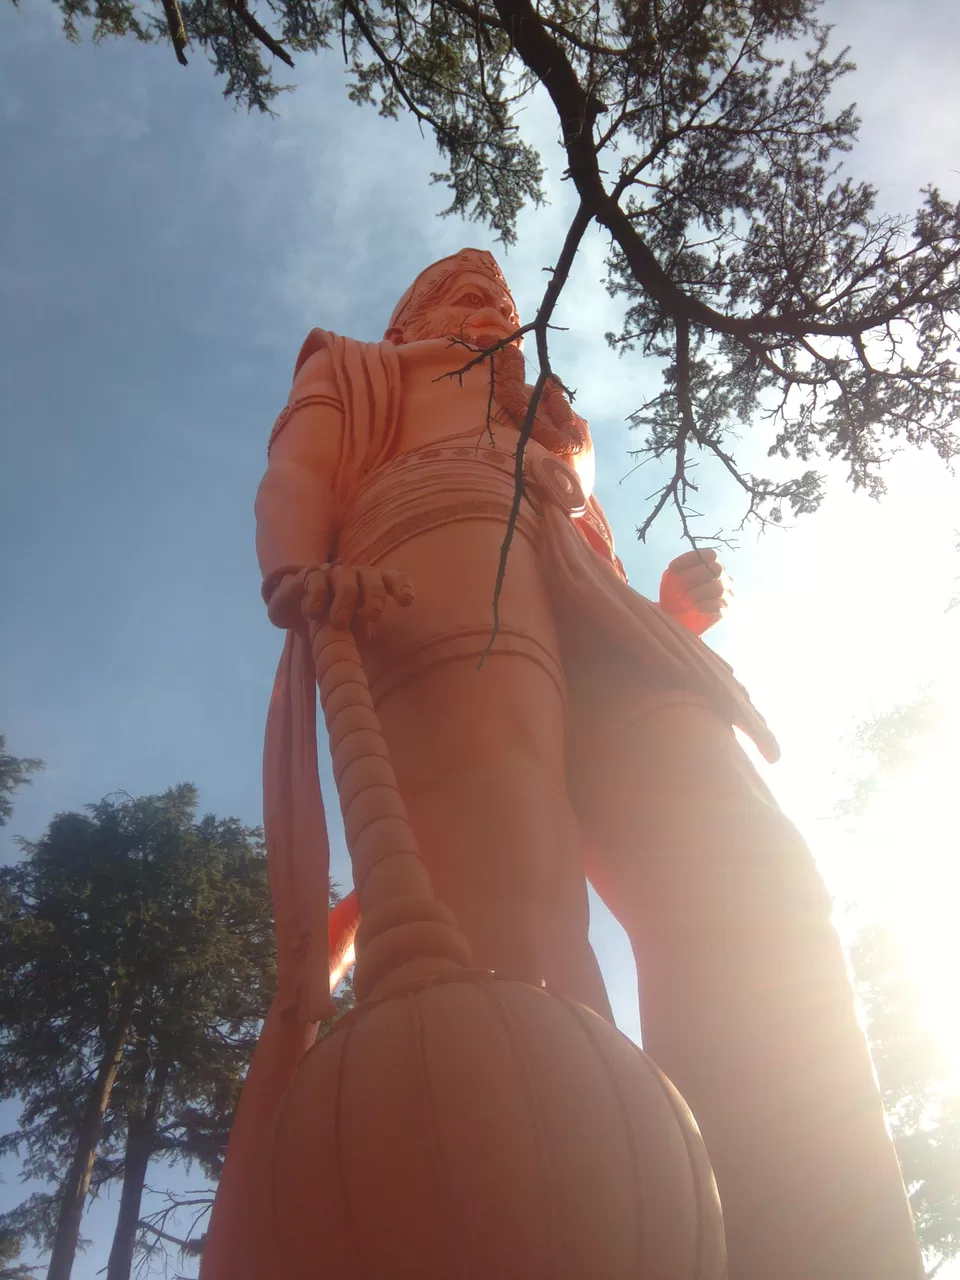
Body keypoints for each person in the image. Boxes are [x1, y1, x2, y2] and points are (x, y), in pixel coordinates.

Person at [206, 248, 923, 1280]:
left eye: (499, 296)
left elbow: (589, 557)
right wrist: (295, 564)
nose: (487, 300)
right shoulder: (365, 367)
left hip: (601, 608)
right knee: (521, 947)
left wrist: (663, 621)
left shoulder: (550, 426)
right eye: (456, 289)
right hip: (428, 547)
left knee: (754, 884)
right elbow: (302, 469)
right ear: (407, 312)